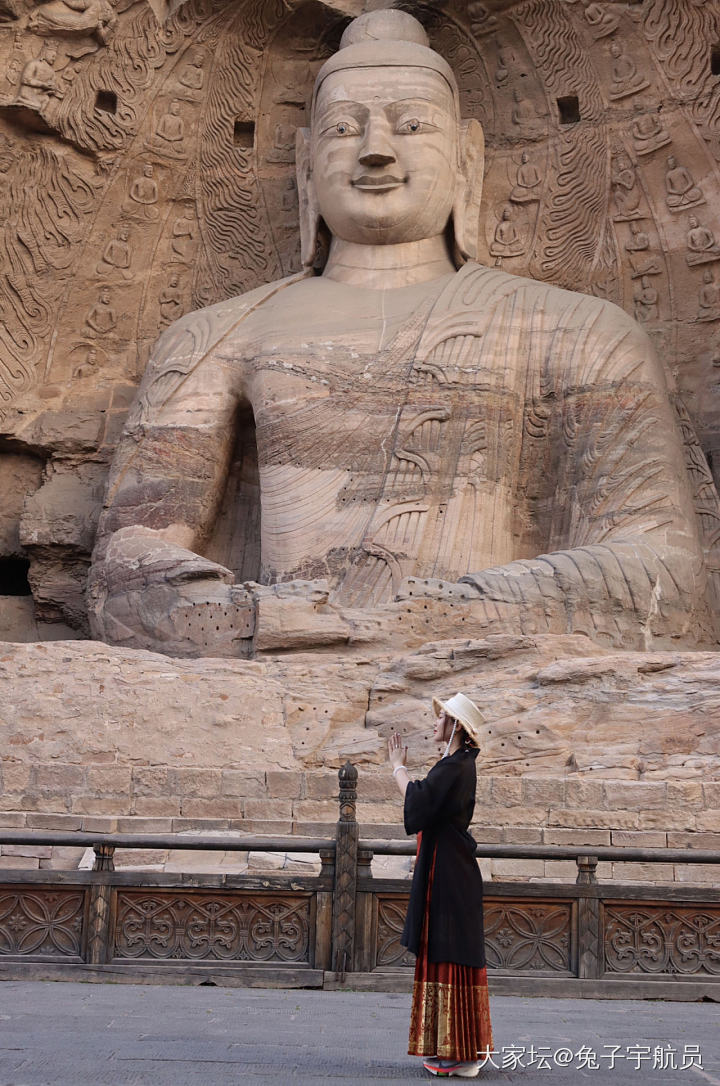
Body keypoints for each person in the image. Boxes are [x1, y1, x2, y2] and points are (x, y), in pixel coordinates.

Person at [388, 692, 493, 1078]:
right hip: (448, 871)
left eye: (441, 718)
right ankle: (461, 1051)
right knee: (451, 952)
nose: (435, 723)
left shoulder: (455, 767)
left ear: (456, 728)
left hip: (448, 876)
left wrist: (397, 768)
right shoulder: (455, 765)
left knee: (450, 952)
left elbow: (418, 804)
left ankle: (460, 1053)